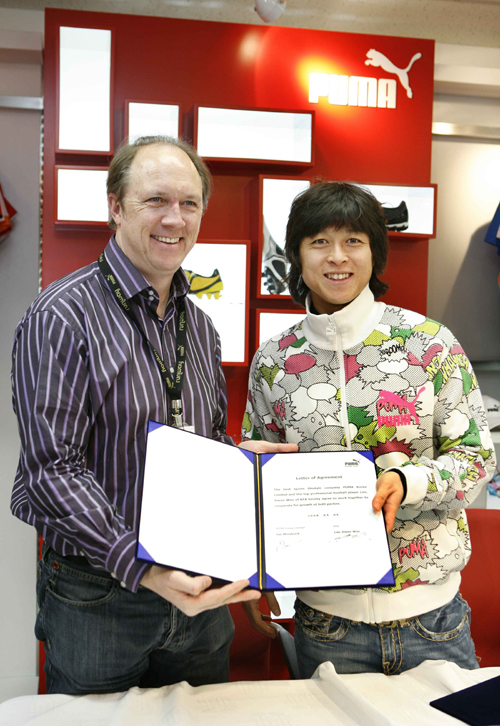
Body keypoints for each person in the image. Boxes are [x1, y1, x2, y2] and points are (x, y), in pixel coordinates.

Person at [10, 135, 292, 695]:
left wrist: (238, 459)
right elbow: (50, 470)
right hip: (99, 596)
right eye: (155, 200)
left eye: (189, 203)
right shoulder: (62, 315)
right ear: (115, 206)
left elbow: (196, 437)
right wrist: (143, 569)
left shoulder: (201, 327)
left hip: (197, 595)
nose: (174, 219)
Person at [241, 181, 496, 677]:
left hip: (433, 619)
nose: (337, 257)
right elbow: (261, 477)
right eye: (319, 241)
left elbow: (476, 458)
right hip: (326, 624)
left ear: (375, 253)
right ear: (297, 254)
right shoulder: (274, 360)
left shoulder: (429, 344)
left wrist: (408, 481)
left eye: (353, 241)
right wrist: (255, 573)